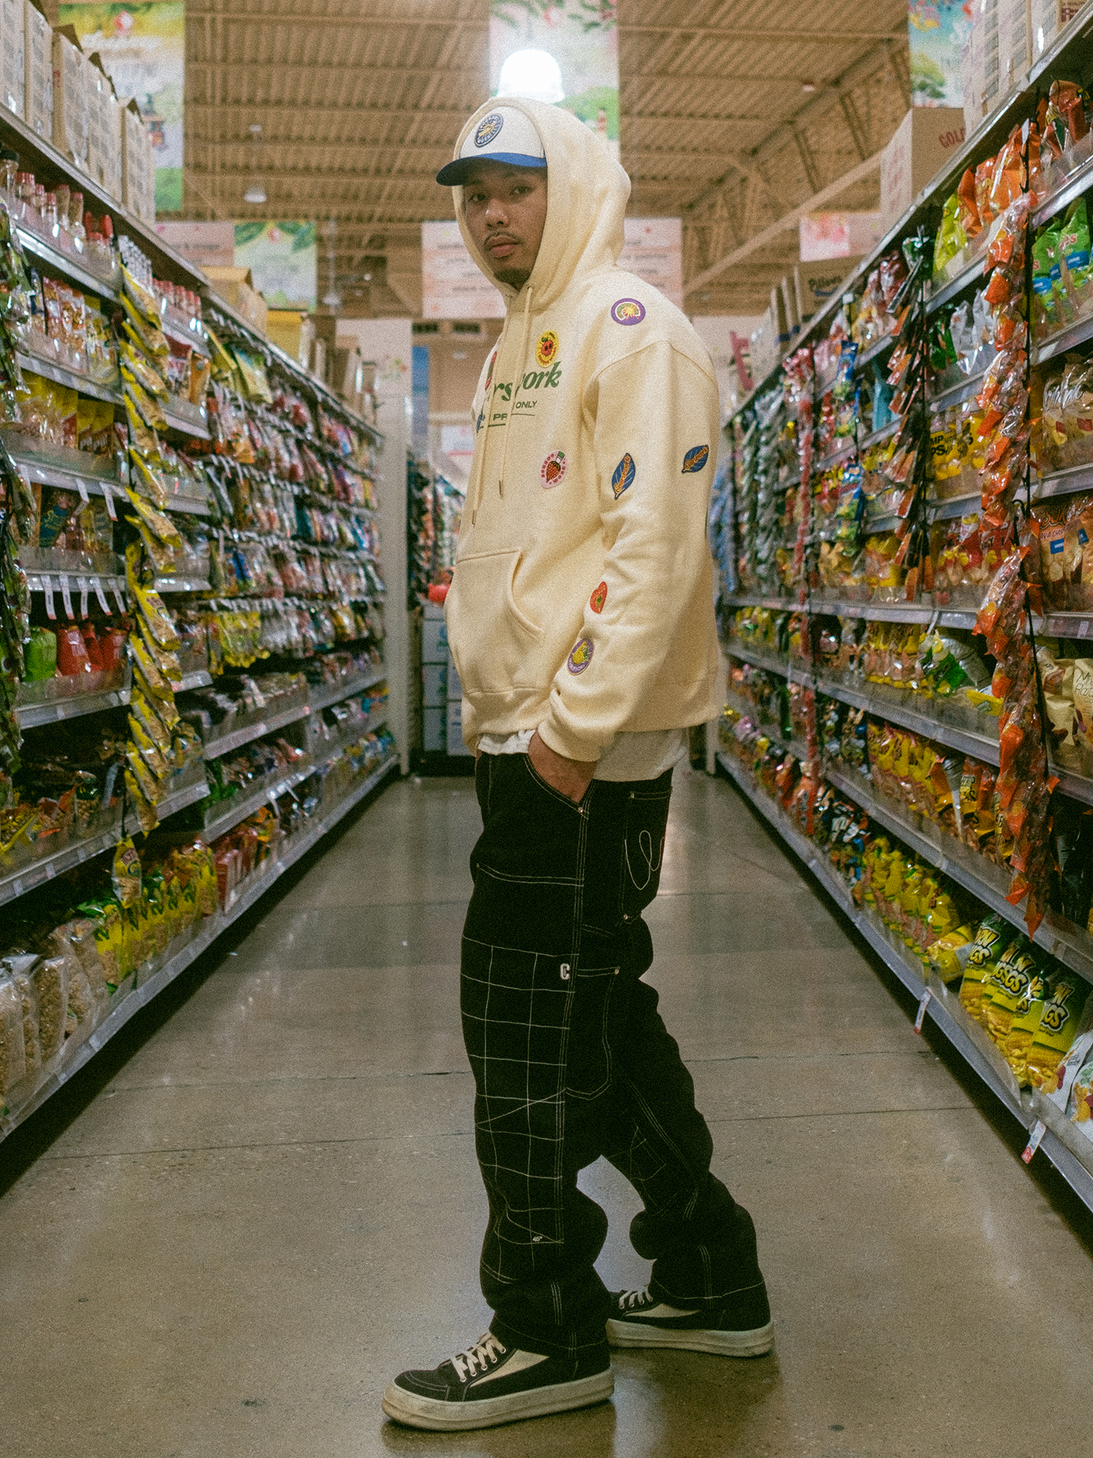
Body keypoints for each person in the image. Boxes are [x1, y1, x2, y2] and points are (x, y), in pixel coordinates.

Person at [383, 101, 773, 1433]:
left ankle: (545, 1322)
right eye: (473, 195)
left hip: (577, 755)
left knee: (522, 1038)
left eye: (516, 189)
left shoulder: (630, 330)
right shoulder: (525, 341)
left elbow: (652, 550)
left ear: (578, 187)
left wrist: (563, 737)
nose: (492, 215)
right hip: (536, 741)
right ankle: (712, 1267)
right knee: (595, 1027)